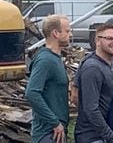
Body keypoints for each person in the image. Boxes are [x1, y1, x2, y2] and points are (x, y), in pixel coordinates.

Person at [74, 23, 113, 143]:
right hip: (92, 136)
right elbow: (91, 109)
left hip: (107, 134)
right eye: (109, 38)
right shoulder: (92, 68)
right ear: (97, 40)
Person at [25, 14, 72, 143]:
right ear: (55, 33)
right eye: (67, 31)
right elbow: (32, 93)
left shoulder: (55, 58)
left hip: (57, 132)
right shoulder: (45, 60)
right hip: (47, 133)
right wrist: (54, 122)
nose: (71, 34)